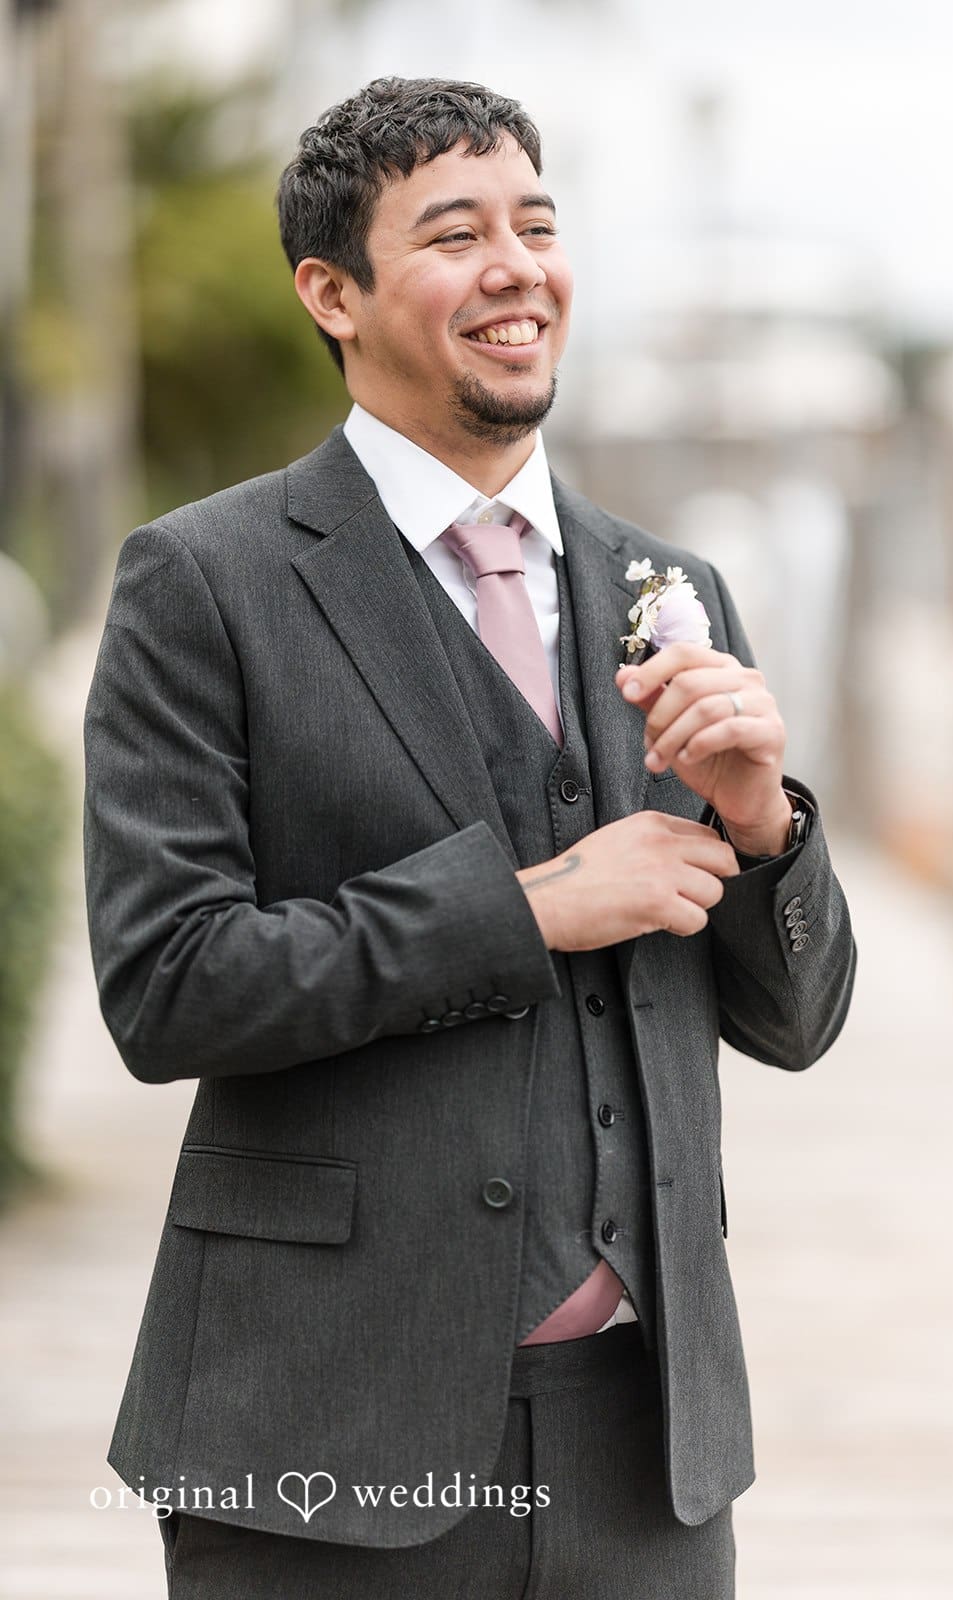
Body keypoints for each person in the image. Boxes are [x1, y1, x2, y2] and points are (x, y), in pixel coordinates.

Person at [83, 75, 857, 1600]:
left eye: (539, 224)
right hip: (321, 1425)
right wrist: (533, 905)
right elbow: (166, 984)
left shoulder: (670, 583)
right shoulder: (206, 582)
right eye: (455, 231)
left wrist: (768, 827)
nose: (517, 266)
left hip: (648, 1444)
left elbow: (801, 1020)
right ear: (333, 293)